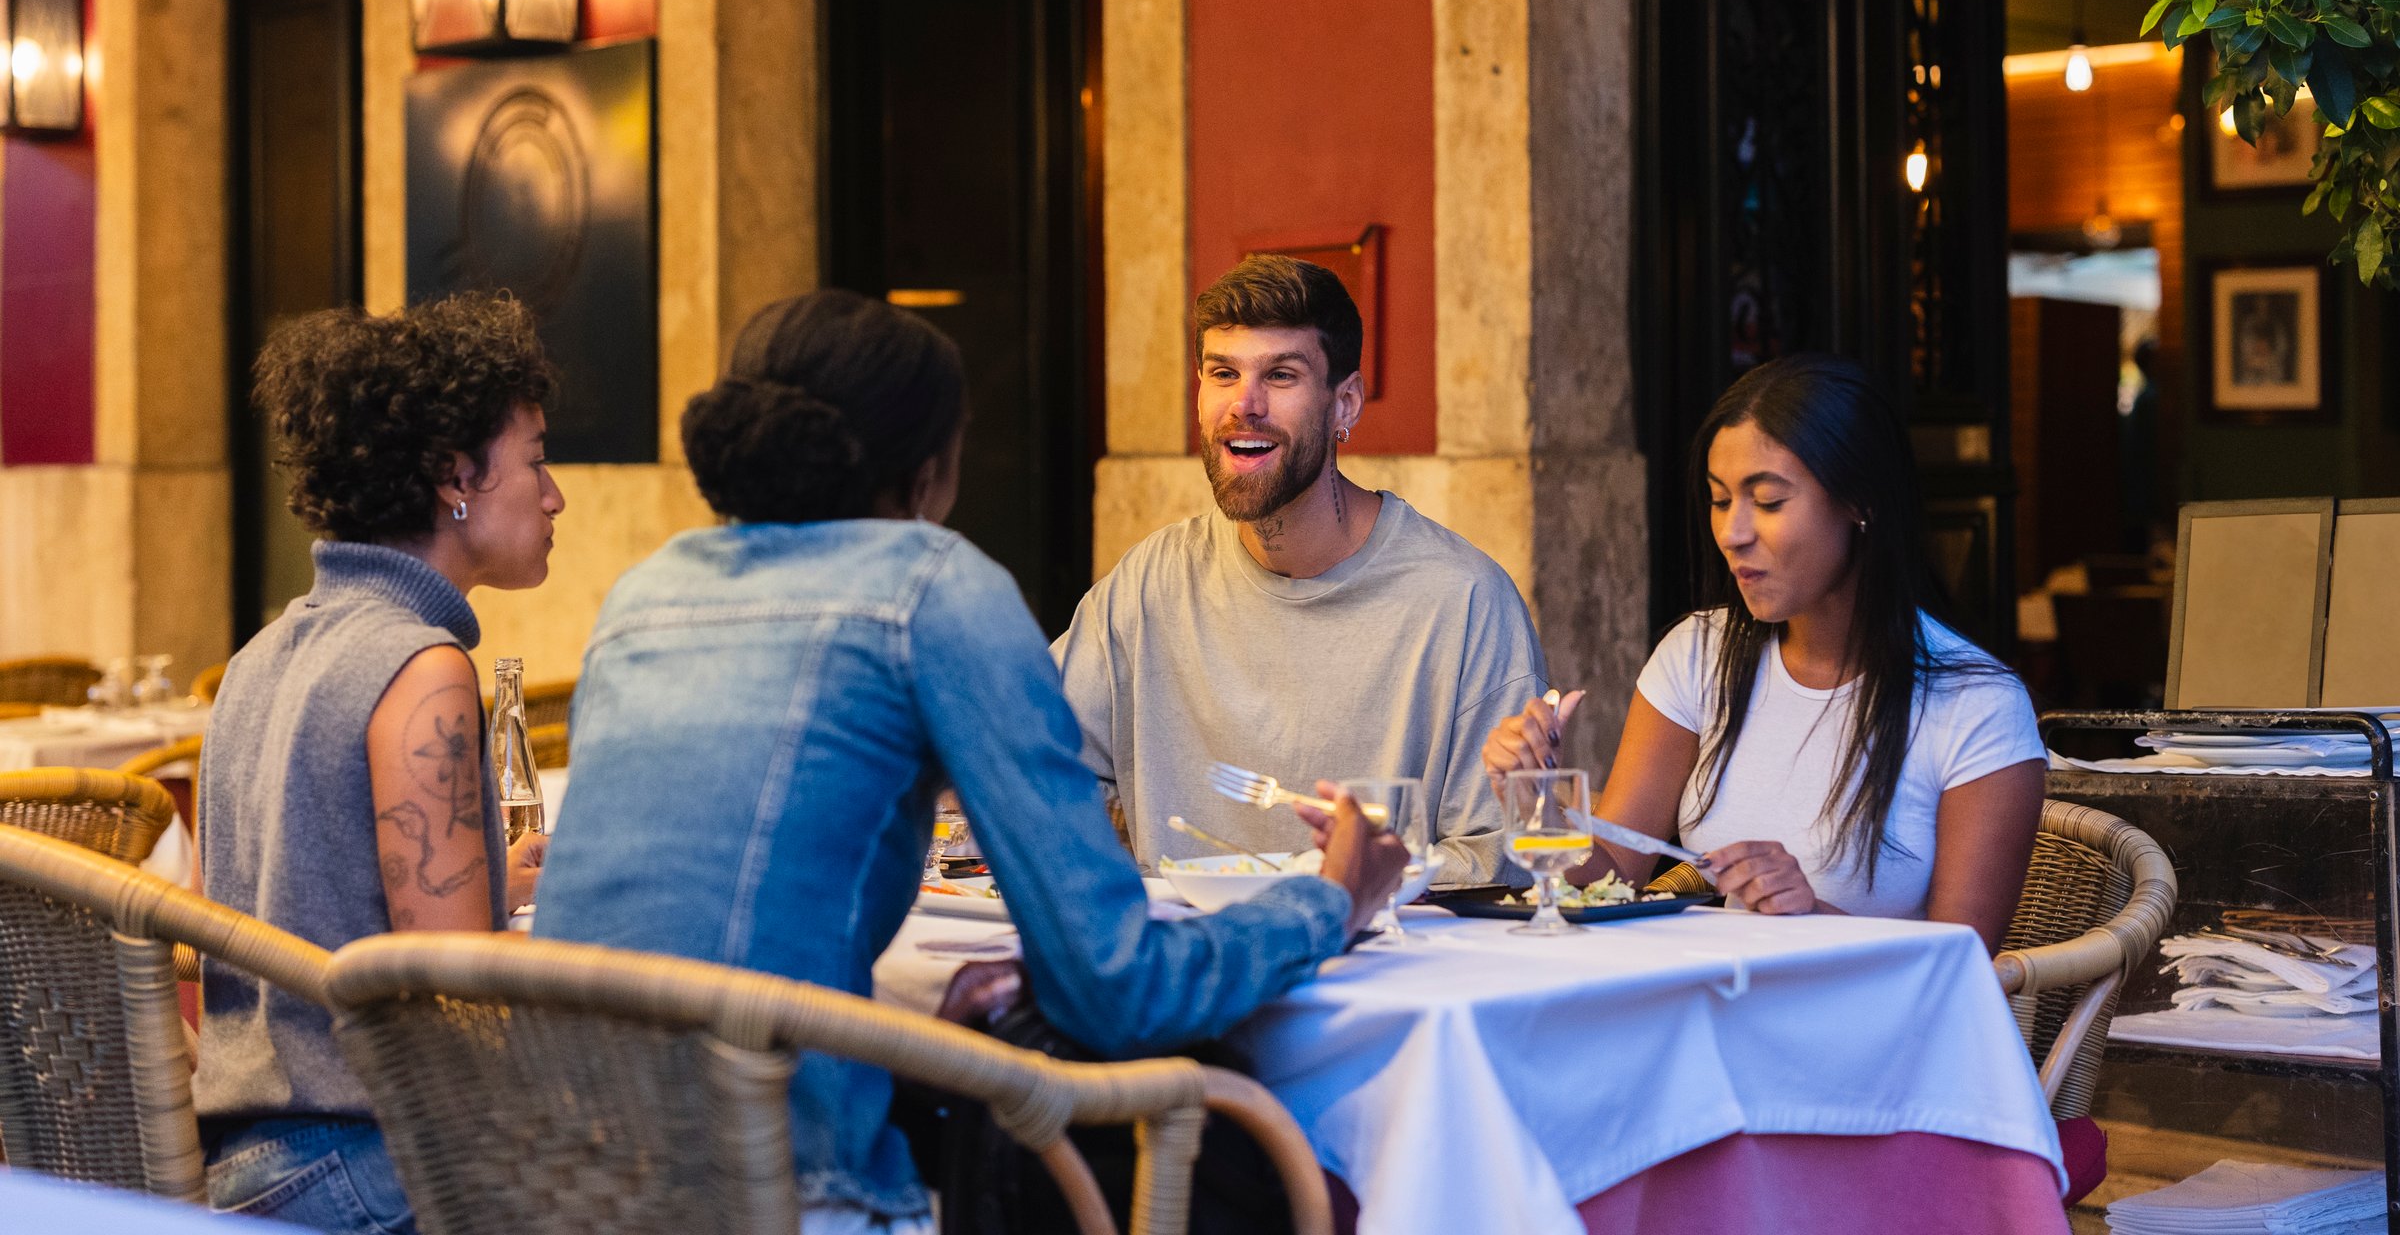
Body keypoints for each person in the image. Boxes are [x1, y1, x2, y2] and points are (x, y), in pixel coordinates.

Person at [532, 289, 1405, 1233]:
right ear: (930, 471)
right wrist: (1329, 900)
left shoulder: (643, 592)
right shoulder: (933, 589)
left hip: (547, 1177)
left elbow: (708, 918)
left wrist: (895, 1033)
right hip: (781, 1195)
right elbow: (1119, 989)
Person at [197, 295, 563, 1232]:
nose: (556, 494)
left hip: (243, 1165)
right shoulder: (423, 666)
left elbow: (243, 926)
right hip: (363, 1172)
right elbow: (452, 1005)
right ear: (457, 477)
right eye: (537, 459)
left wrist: (494, 888)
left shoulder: (259, 655)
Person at [1484, 353, 2044, 949]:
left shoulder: (1975, 704)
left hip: (1862, 1033)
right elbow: (1612, 875)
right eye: (1720, 499)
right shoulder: (1697, 655)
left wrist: (1811, 915)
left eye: (1769, 501)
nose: (1732, 532)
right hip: (1707, 1014)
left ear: (1861, 503)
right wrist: (1534, 803)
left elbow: (1959, 970)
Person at [1056, 255, 1544, 881]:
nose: (1244, 404)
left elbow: (1502, 855)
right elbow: (1032, 766)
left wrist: (1336, 884)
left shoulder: (1466, 601)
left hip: (1385, 966)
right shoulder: (1148, 584)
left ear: (1344, 404)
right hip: (1193, 966)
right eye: (1222, 373)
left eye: (1281, 375)